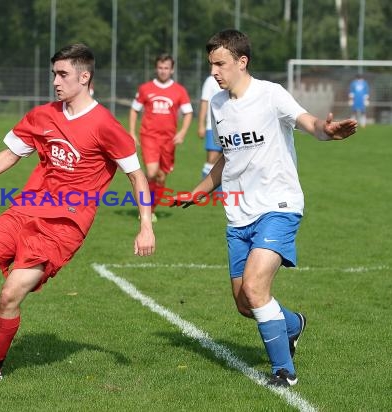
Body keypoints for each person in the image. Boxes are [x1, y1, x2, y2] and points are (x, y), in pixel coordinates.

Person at [0, 43, 155, 384]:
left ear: (84, 77)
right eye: (54, 74)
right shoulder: (43, 115)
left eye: (63, 74)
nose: (56, 81)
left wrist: (145, 225)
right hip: (26, 209)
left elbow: (137, 175)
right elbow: (11, 153)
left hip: (64, 225)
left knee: (11, 293)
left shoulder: (106, 125)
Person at [172, 29, 357, 387]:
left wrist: (327, 130)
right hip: (237, 213)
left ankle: (283, 372)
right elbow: (227, 160)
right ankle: (294, 324)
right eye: (211, 64)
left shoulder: (270, 95)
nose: (214, 72)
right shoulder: (221, 107)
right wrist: (196, 192)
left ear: (242, 62)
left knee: (256, 289)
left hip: (278, 206)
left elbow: (309, 123)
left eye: (220, 64)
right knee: (246, 304)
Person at [129, 53, 193, 222]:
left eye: (166, 68)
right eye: (160, 67)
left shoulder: (179, 90)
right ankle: (146, 210)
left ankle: (152, 209)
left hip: (169, 140)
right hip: (149, 136)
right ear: (156, 68)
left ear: (172, 70)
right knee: (151, 172)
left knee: (161, 177)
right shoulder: (145, 88)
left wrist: (182, 132)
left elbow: (188, 113)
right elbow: (134, 110)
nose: (163, 71)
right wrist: (132, 132)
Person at [198, 75, 223, 180]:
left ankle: (220, 194)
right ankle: (203, 194)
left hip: (230, 127)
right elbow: (204, 102)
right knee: (211, 160)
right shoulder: (211, 80)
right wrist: (201, 124)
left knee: (224, 161)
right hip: (213, 127)